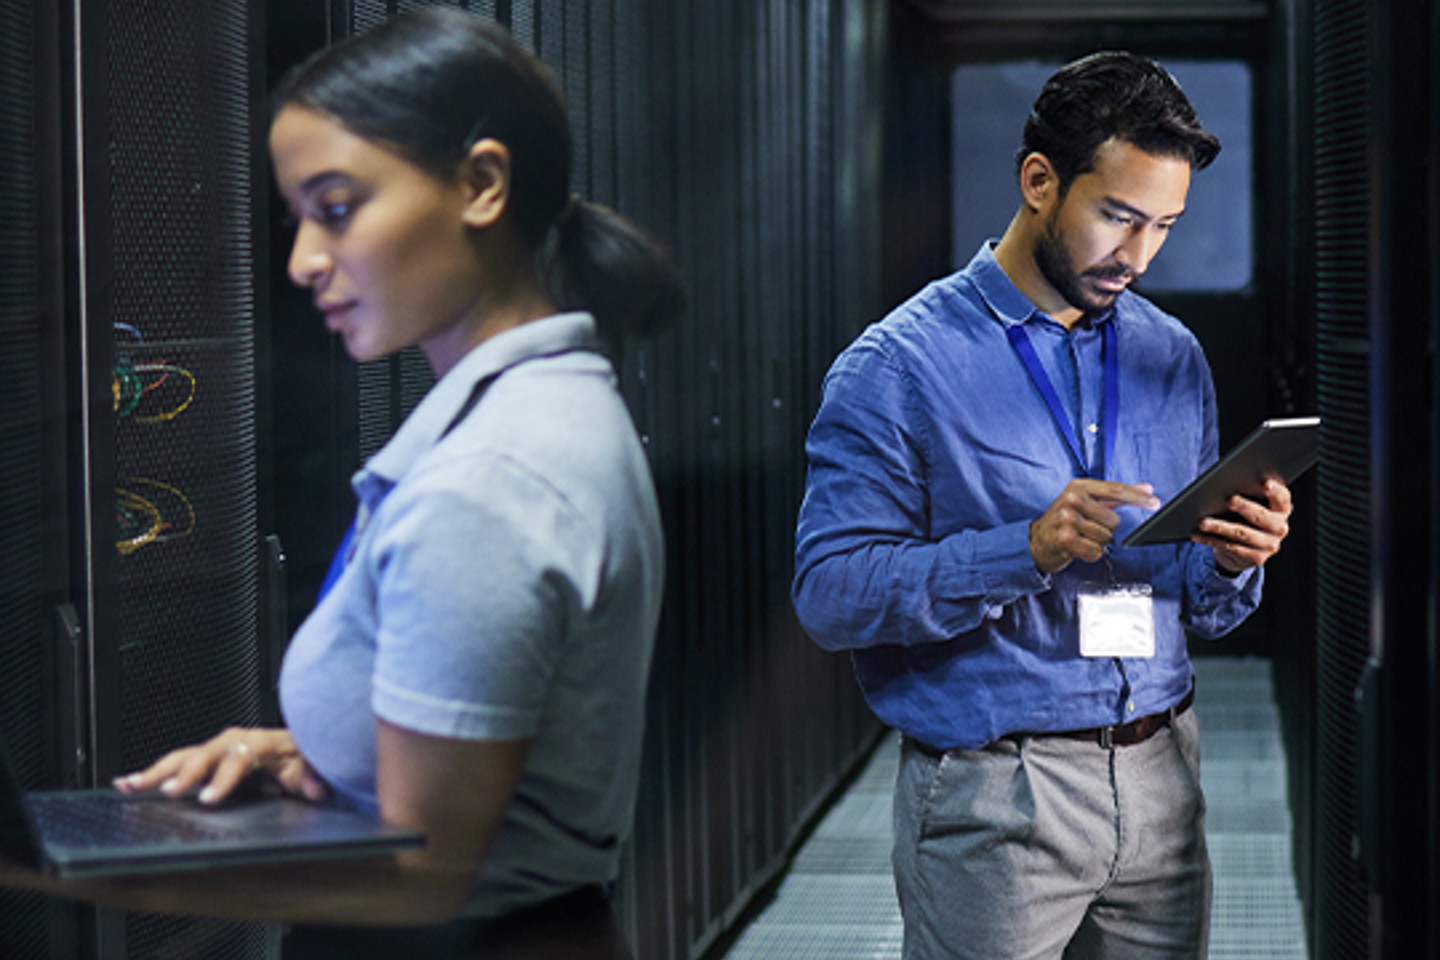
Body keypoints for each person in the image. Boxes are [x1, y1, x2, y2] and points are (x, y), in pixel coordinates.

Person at [1, 8, 682, 958]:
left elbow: (424, 880)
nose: (303, 262)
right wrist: (313, 754)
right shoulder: (542, 412)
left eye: (336, 207)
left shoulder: (489, 479)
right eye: (297, 219)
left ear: (481, 184)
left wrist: (69, 865)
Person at [792, 52, 1292, 960]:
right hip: (997, 800)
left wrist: (1230, 558)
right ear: (1038, 181)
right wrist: (1025, 548)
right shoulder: (899, 366)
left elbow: (1199, 602)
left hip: (1163, 778)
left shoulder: (1170, 355)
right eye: (1119, 218)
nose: (1138, 257)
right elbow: (830, 594)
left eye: (1165, 227)